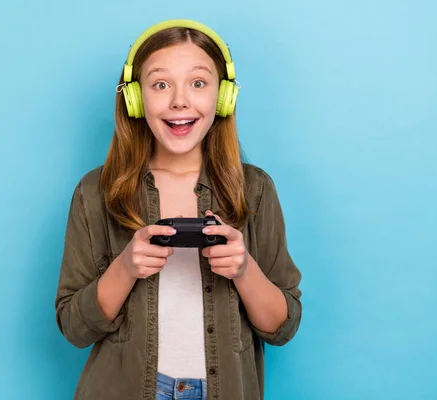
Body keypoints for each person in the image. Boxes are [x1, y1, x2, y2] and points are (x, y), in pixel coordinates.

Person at [54, 19, 303, 400]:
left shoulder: (254, 190)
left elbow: (282, 328)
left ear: (223, 98)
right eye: (160, 84)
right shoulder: (95, 192)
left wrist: (243, 269)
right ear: (136, 99)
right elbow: (74, 328)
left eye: (198, 83)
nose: (179, 101)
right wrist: (125, 267)